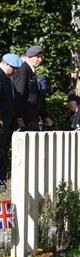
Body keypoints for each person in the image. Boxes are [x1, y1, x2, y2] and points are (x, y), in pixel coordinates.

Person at [12, 45, 53, 131]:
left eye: (41, 57)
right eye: (37, 57)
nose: (40, 60)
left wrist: (44, 116)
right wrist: (19, 117)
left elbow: (36, 97)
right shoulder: (23, 70)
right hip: (25, 118)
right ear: (29, 57)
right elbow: (18, 94)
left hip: (32, 117)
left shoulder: (31, 71)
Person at [0, 53, 23, 186]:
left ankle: (1, 184)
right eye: (13, 68)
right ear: (6, 64)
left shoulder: (7, 79)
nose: (15, 72)